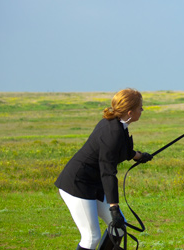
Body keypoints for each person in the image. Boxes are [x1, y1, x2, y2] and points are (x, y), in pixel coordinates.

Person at [55, 88, 153, 250]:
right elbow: (108, 173)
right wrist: (114, 208)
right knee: (91, 238)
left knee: (119, 230)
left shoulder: (118, 123)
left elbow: (122, 150)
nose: (142, 110)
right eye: (140, 108)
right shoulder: (112, 132)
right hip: (77, 185)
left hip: (93, 184)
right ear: (130, 112)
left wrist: (139, 156)